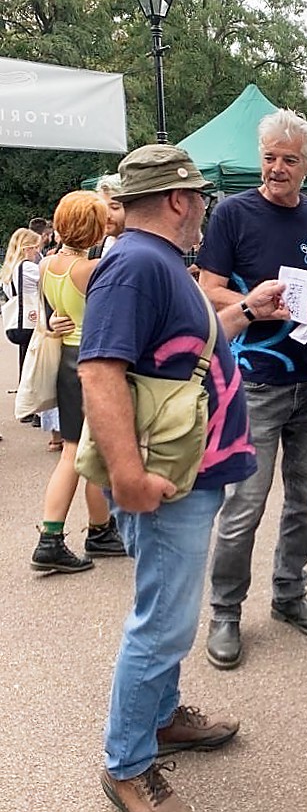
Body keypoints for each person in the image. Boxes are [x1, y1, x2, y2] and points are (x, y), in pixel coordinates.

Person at [76, 143, 287, 812]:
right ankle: (127, 762)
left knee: (170, 613)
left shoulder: (155, 263)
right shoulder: (138, 264)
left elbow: (195, 340)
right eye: (199, 197)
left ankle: (160, 718)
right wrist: (129, 476)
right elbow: (99, 370)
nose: (203, 210)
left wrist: (248, 310)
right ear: (176, 200)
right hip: (167, 481)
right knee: (163, 623)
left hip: (184, 474)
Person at [196, 108, 307, 670]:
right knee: (245, 506)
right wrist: (248, 304)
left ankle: (289, 595)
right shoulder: (233, 213)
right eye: (269, 158)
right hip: (255, 380)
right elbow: (205, 289)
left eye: (289, 160)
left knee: (305, 501)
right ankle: (226, 612)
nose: (277, 168)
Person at [29, 191, 125, 573]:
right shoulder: (91, 269)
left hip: (69, 360)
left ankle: (99, 530)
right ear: (95, 227)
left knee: (85, 451)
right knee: (80, 454)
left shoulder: (50, 262)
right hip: (95, 364)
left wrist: (54, 323)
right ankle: (52, 538)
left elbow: (54, 314)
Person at [1, 227, 41, 384]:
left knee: (24, 358)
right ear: (28, 248)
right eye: (35, 247)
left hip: (18, 321)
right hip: (32, 319)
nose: (37, 252)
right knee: (34, 360)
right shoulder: (28, 268)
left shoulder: (10, 269)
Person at [89, 173, 126, 258]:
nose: (107, 215)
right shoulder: (95, 248)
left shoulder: (144, 251)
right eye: (102, 207)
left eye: (114, 207)